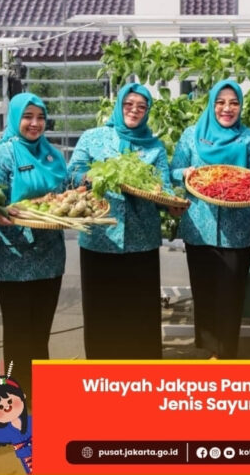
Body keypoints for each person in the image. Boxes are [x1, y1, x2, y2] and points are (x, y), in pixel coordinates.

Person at [67, 82, 177, 359]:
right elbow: (72, 173)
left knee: (140, 313)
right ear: (119, 106)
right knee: (101, 311)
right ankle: (103, 376)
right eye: (128, 104)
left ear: (147, 111)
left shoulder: (154, 146)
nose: (134, 110)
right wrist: (90, 177)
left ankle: (140, 376)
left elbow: (164, 187)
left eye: (141, 106)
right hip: (99, 238)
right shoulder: (93, 137)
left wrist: (169, 201)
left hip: (142, 241)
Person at [170, 79, 250, 359]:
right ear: (212, 104)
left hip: (239, 230)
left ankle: (226, 355)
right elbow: (173, 171)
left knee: (231, 294)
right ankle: (209, 350)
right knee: (204, 291)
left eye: (234, 103)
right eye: (221, 102)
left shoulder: (249, 138)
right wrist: (185, 173)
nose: (227, 108)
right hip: (200, 228)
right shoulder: (192, 135)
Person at [0, 93, 67, 400]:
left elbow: (64, 194)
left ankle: (39, 393)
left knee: (41, 329)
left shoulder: (53, 155)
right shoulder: (1, 155)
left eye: (40, 117)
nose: (35, 123)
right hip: (11, 254)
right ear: (15, 118)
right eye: (28, 116)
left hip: (49, 253)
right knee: (18, 329)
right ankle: (15, 396)